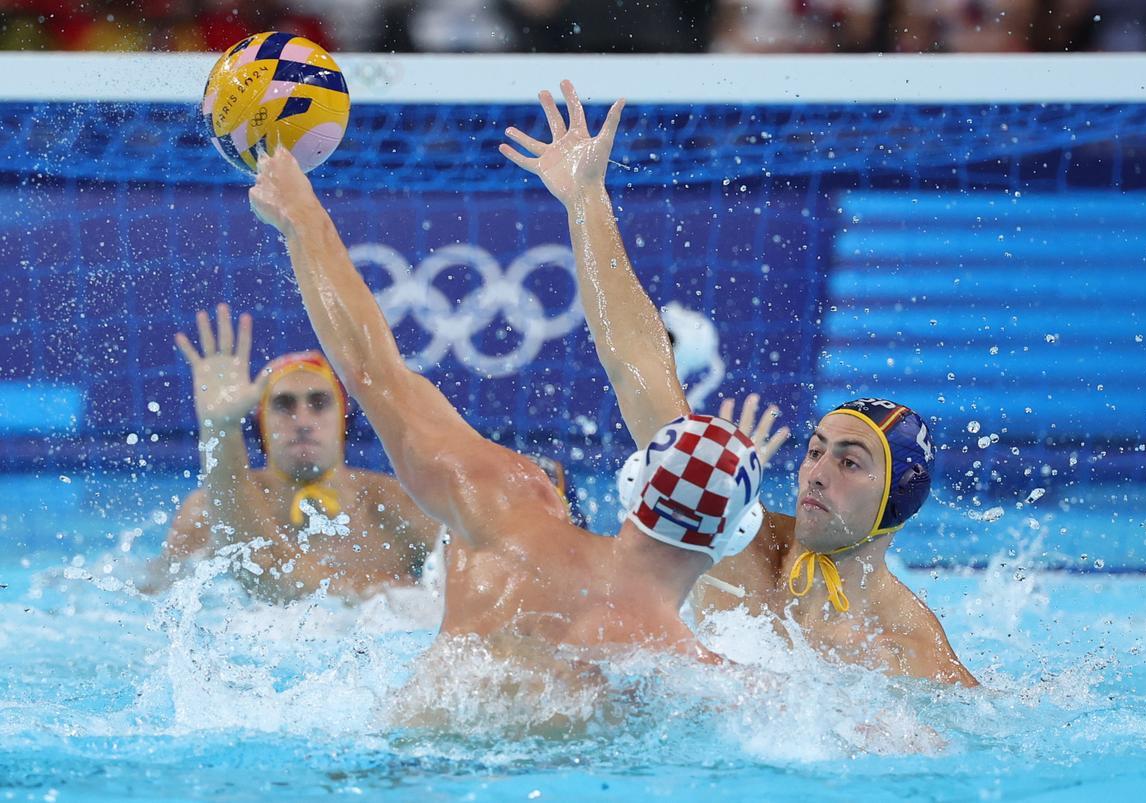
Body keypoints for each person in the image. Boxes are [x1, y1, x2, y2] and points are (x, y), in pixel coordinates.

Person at [500, 80, 977, 685]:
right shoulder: (729, 528)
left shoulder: (905, 648)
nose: (815, 472)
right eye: (814, 451)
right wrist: (585, 198)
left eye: (850, 462)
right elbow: (637, 362)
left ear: (899, 498)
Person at [244, 145, 765, 668]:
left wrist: (302, 217)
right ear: (736, 534)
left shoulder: (504, 512)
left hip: (405, 747)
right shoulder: (701, 679)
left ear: (632, 482)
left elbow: (369, 369)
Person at [142, 305, 444, 604]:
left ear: (344, 416)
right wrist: (221, 428)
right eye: (284, 405)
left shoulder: (397, 506)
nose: (302, 421)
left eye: (319, 403)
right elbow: (154, 599)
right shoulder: (210, 509)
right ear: (262, 423)